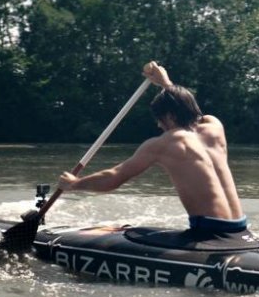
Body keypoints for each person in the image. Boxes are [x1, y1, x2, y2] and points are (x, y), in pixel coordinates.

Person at [58, 62, 247, 233]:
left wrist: (74, 184)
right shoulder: (215, 127)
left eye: (159, 119)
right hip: (240, 228)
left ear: (170, 116)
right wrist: (166, 83)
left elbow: (114, 177)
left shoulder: (164, 143)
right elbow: (191, 110)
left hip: (209, 233)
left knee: (129, 233)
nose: (158, 125)